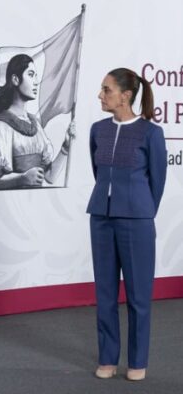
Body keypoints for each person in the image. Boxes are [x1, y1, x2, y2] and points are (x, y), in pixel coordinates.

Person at [88, 68, 167, 381]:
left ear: (126, 95)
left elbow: (157, 182)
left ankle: (137, 362)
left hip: (137, 222)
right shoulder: (97, 130)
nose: (101, 95)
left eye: (106, 89)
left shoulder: (150, 133)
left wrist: (140, 210)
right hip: (101, 218)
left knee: (138, 296)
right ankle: (107, 358)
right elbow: (98, 172)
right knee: (105, 294)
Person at [0, 54, 75, 190]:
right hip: (12, 202)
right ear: (15, 79)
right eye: (31, 75)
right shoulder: (1, 126)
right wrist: (22, 178)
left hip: (35, 201)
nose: (36, 82)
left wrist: (65, 147)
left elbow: (49, 177)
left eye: (36, 76)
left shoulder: (35, 124)